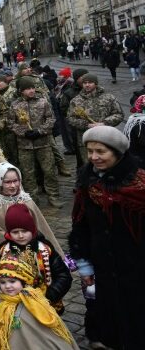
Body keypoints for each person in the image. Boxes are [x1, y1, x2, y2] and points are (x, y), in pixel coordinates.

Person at [69, 126, 145, 350]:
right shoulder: (87, 180)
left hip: (136, 266)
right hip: (103, 266)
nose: (93, 157)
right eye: (90, 151)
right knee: (108, 316)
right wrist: (83, 263)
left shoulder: (139, 184)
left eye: (100, 151)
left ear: (117, 152)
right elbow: (80, 225)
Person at [0, 252, 78, 350]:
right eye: (2, 282)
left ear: (24, 280)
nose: (7, 286)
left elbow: (45, 331)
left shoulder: (34, 300)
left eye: (12, 281)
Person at [0, 203, 71, 313]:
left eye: (24, 231)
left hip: (45, 303)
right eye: (15, 232)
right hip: (14, 304)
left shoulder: (45, 249)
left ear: (32, 230)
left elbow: (63, 275)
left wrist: (50, 295)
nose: (20, 235)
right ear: (9, 233)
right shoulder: (3, 250)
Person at [0, 162, 63, 254]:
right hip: (7, 253)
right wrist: (15, 245)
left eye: (16, 181)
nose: (13, 186)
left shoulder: (25, 199)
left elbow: (42, 227)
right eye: (7, 182)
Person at [8, 77, 60, 206]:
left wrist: (40, 131)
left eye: (32, 88)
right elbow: (10, 123)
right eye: (27, 89)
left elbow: (51, 119)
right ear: (21, 91)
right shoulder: (15, 105)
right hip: (24, 145)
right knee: (28, 173)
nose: (31, 91)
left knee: (49, 171)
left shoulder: (43, 102)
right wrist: (23, 132)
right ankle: (32, 199)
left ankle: (53, 196)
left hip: (43, 143)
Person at [67, 74, 124, 164]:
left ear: (96, 83)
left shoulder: (108, 97)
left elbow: (119, 114)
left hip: (106, 138)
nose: (87, 85)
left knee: (109, 164)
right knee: (90, 166)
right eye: (85, 83)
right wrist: (87, 125)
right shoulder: (75, 101)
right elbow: (71, 119)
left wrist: (104, 123)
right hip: (86, 140)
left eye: (90, 82)